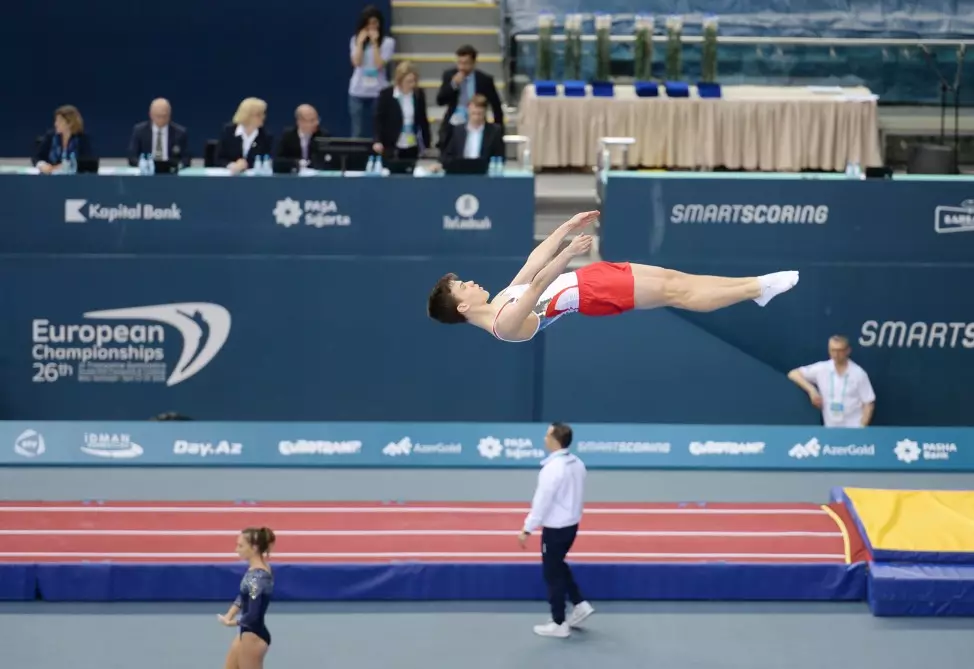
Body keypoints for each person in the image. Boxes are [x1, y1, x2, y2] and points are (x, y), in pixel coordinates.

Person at [426, 211, 800, 341]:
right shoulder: (504, 325)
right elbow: (539, 284)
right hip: (591, 293)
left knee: (676, 279)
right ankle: (756, 288)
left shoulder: (501, 299)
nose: (471, 282)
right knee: (677, 293)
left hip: (592, 278)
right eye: (464, 286)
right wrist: (570, 252)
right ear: (461, 305)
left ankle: (755, 287)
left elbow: (533, 262)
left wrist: (566, 228)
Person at [518, 422, 593, 638]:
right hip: (571, 525)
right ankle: (579, 603)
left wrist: (527, 529)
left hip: (555, 528)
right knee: (558, 564)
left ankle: (559, 622)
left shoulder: (552, 469)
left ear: (555, 439)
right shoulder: (577, 463)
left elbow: (542, 502)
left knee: (552, 574)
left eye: (547, 435)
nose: (544, 438)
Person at [218, 527, 276, 669]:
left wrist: (234, 623)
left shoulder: (257, 577)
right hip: (247, 632)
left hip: (254, 636)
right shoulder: (255, 570)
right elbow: (244, 595)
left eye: (241, 545)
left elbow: (253, 615)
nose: (236, 549)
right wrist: (229, 614)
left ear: (254, 548)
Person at [787, 335, 876, 427]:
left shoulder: (858, 373)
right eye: (832, 350)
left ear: (848, 351)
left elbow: (868, 403)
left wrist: (861, 429)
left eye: (839, 351)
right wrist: (812, 390)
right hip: (830, 430)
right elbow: (793, 374)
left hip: (853, 429)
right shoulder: (821, 369)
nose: (836, 355)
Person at [348, 5, 395, 138]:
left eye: (375, 23)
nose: (371, 27)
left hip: (378, 91)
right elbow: (356, 63)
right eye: (368, 24)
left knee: (378, 131)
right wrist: (360, 44)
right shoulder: (355, 40)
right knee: (357, 131)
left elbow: (379, 64)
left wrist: (374, 44)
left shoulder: (388, 42)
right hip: (357, 91)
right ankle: (356, 157)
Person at [373, 61, 431, 161]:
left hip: (411, 144)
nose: (412, 84)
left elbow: (423, 120)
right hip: (391, 144)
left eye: (414, 81)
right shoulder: (386, 95)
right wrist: (377, 140)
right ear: (399, 80)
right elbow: (378, 119)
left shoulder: (418, 94)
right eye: (408, 81)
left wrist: (427, 143)